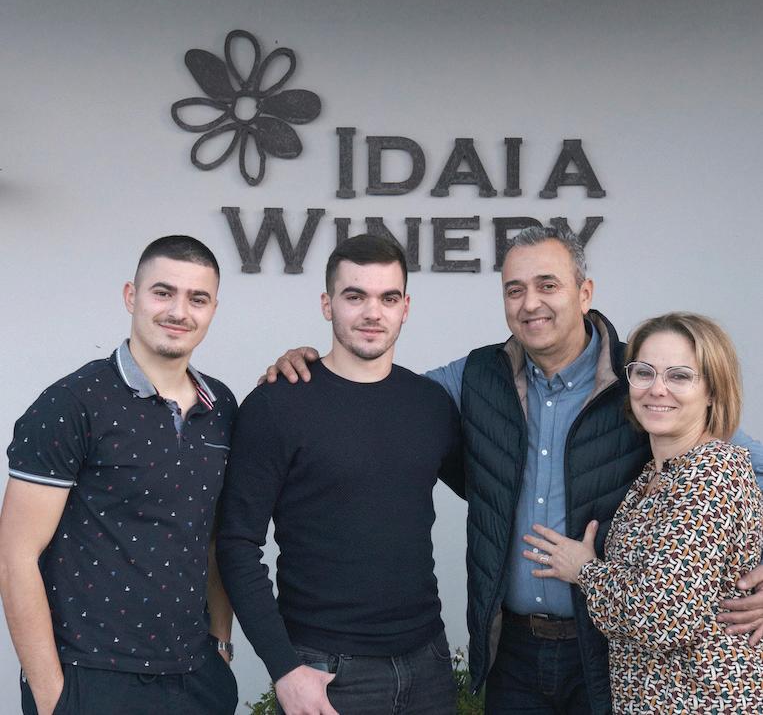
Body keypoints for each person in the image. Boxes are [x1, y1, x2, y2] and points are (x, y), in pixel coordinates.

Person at [262, 226, 763, 715]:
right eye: (515, 289)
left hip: (605, 651)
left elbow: (739, 469)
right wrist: (315, 366)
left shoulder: (640, 380)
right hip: (514, 652)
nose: (530, 303)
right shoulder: (476, 377)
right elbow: (381, 392)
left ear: (584, 293)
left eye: (548, 285)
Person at [217, 234, 461, 715]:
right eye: (355, 296)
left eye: (388, 298)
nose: (373, 312)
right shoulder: (276, 405)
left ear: (405, 307)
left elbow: (494, 492)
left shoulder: (431, 405)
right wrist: (284, 668)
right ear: (327, 304)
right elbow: (236, 544)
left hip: (428, 664)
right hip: (326, 669)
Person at [0, 236, 238, 715]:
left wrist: (220, 646)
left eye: (198, 298)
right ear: (132, 296)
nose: (179, 311)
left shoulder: (222, 407)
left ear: (213, 309)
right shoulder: (72, 404)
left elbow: (215, 538)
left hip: (196, 678)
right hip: (91, 677)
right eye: (163, 292)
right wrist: (52, 697)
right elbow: (15, 555)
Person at [523, 312, 763, 712]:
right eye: (644, 372)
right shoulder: (654, 474)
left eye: (680, 376)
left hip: (703, 701)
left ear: (712, 391)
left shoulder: (710, 473)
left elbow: (663, 619)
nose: (657, 389)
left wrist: (585, 571)